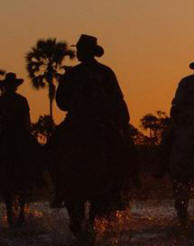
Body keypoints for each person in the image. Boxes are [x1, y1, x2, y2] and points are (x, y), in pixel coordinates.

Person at [50, 34, 134, 211]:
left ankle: (118, 188)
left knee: (121, 149)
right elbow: (61, 102)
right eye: (78, 50)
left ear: (89, 52)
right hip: (77, 120)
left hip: (100, 121)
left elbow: (117, 98)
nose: (78, 53)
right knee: (53, 146)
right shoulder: (73, 74)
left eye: (80, 50)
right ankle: (59, 188)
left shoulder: (104, 73)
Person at [0, 73, 44, 227]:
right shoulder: (4, 100)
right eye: (10, 84)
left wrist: (8, 127)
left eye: (13, 84)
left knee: (35, 151)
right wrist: (5, 126)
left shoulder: (18, 100)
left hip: (16, 132)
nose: (11, 87)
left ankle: (37, 175)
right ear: (7, 86)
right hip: (12, 132)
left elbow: (25, 120)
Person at [154, 56, 194, 178]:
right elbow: (178, 100)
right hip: (184, 119)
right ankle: (161, 165)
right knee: (167, 137)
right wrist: (181, 114)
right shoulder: (185, 82)